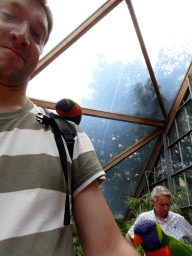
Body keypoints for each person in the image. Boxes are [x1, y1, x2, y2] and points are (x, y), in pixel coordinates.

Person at [0, 0, 140, 255]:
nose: (22, 35)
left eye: (37, 34)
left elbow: (108, 247)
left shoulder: (65, 135)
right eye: (8, 16)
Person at [125, 186, 192, 247]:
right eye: (162, 205)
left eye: (167, 204)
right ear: (153, 202)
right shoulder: (144, 218)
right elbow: (129, 237)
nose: (166, 208)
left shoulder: (178, 219)